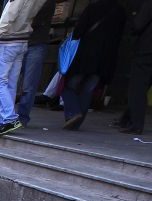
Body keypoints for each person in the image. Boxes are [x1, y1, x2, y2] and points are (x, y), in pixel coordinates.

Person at [0, 0, 47, 136]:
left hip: (8, 42)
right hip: (22, 41)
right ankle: (5, 119)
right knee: (10, 83)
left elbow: (8, 18)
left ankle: (8, 118)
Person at [61, 0, 127, 130]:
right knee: (88, 89)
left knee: (69, 86)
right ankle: (76, 123)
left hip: (85, 55)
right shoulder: (121, 12)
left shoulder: (92, 7)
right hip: (105, 59)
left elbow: (79, 30)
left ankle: (74, 113)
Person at [17, 0, 55, 126]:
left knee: (29, 84)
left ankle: (22, 117)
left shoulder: (47, 3)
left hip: (36, 43)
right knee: (9, 81)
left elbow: (34, 20)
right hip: (20, 41)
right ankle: (6, 115)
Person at [120, 0, 152, 133]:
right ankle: (127, 118)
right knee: (143, 86)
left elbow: (138, 25)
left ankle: (135, 123)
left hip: (146, 50)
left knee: (137, 87)